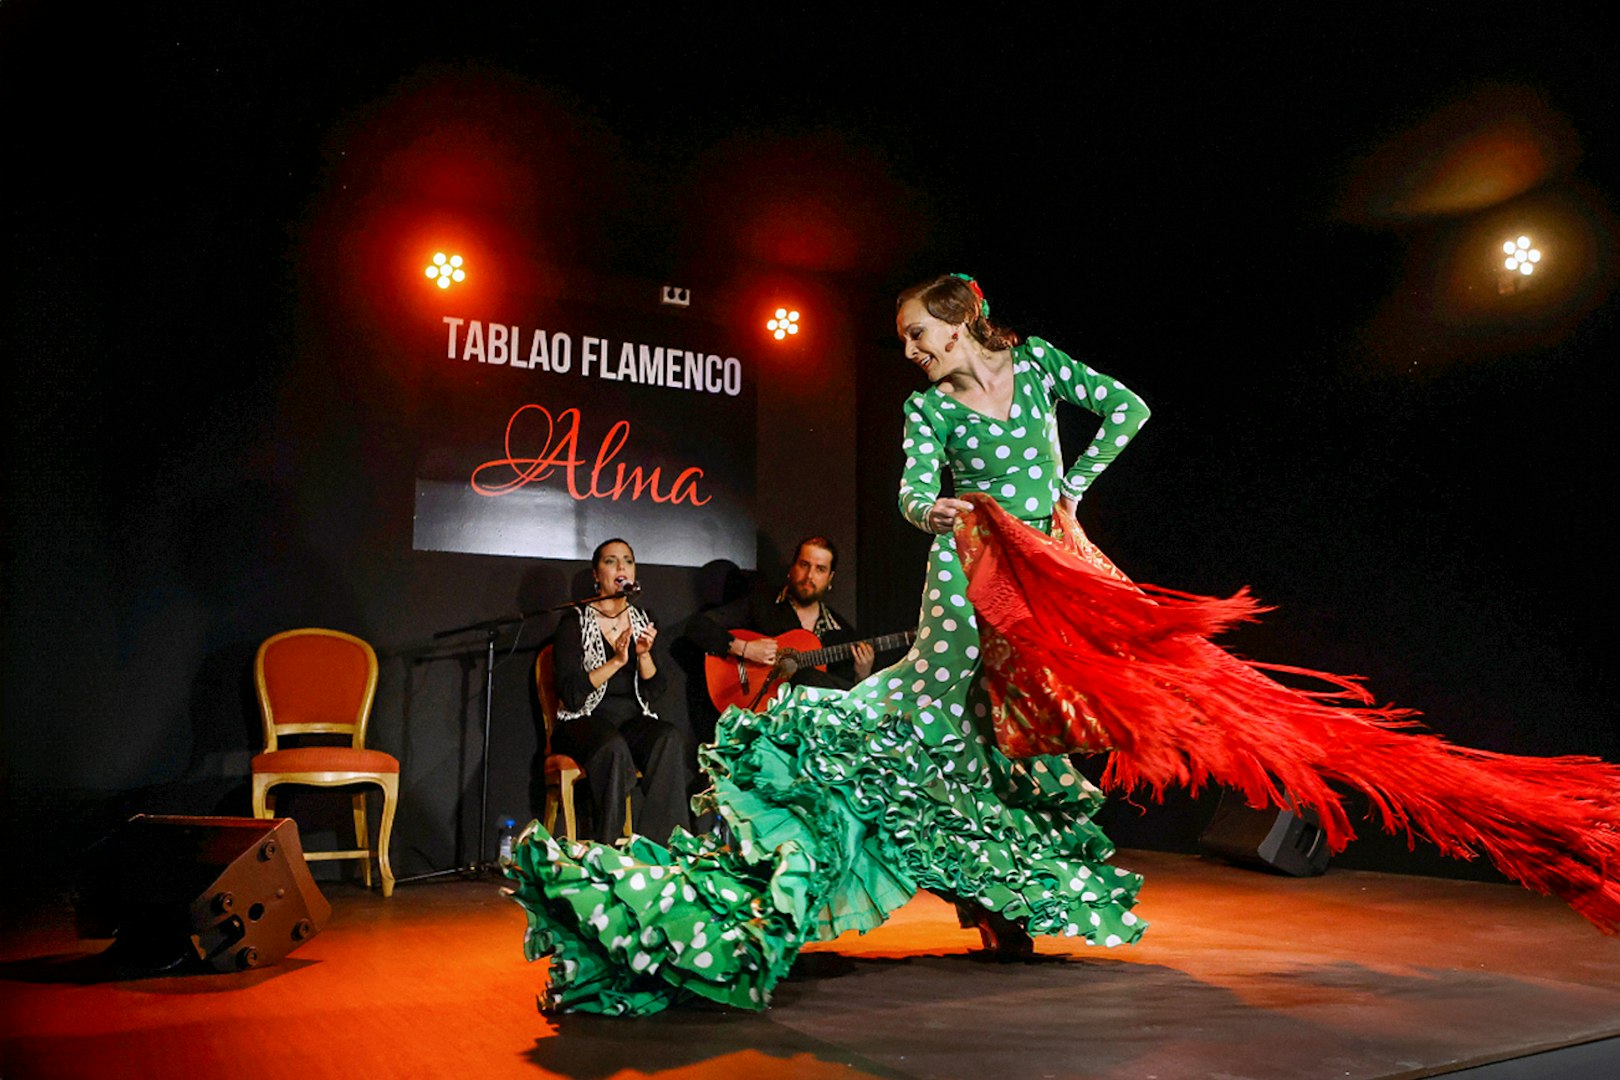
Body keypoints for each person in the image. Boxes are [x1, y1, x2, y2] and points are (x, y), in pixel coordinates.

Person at [506, 275, 1620, 1017]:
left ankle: (1003, 904)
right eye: (904, 345)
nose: (909, 354)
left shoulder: (1034, 368)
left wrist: (1073, 492)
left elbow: (1126, 408)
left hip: (1051, 569)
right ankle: (824, 891)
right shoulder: (932, 414)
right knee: (935, 720)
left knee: (1061, 725)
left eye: (920, 338)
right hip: (973, 576)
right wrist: (937, 515)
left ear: (965, 321)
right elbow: (906, 497)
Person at [549, 538, 689, 845]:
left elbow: (655, 690)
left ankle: (661, 848)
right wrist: (616, 662)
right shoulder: (574, 621)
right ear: (596, 575)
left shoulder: (642, 619)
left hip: (631, 720)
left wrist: (643, 655)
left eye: (627, 560)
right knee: (612, 747)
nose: (621, 566)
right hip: (582, 721)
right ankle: (606, 850)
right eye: (611, 561)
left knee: (667, 738)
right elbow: (572, 695)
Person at [684, 536, 876, 693]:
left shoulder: (840, 632)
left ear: (830, 579)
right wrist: (744, 649)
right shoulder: (760, 603)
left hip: (812, 729)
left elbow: (844, 698)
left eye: (820, 569)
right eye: (804, 565)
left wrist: (862, 676)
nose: (809, 576)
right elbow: (698, 626)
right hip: (760, 711)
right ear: (791, 569)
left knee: (808, 678)